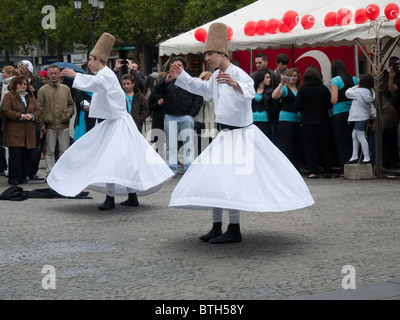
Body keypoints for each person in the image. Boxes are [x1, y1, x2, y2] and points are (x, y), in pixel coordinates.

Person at [168, 22, 314, 244]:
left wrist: (236, 84)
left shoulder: (238, 73)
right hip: (224, 136)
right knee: (216, 180)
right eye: (206, 53)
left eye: (210, 53)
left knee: (232, 182)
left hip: (240, 136)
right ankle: (217, 226)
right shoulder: (217, 74)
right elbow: (202, 88)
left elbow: (249, 93)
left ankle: (234, 228)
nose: (207, 57)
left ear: (222, 53)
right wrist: (183, 77)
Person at [48, 32, 173, 210]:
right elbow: (96, 86)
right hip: (115, 122)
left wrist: (75, 76)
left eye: (90, 59)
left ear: (98, 59)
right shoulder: (104, 74)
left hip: (118, 124)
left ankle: (111, 198)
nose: (89, 63)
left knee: (113, 160)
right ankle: (130, 195)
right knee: (124, 159)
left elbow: (94, 84)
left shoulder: (105, 74)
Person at [154, 57, 203, 176]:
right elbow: (157, 91)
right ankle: (171, 170)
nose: (177, 67)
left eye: (179, 65)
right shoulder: (167, 79)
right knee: (171, 146)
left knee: (188, 144)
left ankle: (189, 169)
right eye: (174, 65)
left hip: (186, 116)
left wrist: (192, 113)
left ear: (184, 67)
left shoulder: (190, 80)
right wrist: (165, 81)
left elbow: (198, 96)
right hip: (170, 116)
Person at [0, 75, 41, 185]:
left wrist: (32, 116)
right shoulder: (9, 96)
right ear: (15, 85)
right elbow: (5, 109)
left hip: (28, 131)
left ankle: (23, 177)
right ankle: (14, 177)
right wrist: (20, 116)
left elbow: (38, 110)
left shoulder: (31, 96)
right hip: (14, 131)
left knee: (26, 155)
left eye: (25, 84)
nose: (23, 86)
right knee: (15, 155)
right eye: (20, 83)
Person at [294, 66, 333, 178]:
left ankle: (314, 171)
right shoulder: (323, 89)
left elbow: (297, 106)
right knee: (325, 147)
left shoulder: (302, 89)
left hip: (307, 122)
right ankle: (327, 171)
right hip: (324, 121)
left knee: (311, 148)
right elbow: (329, 104)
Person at [37, 65, 74, 177]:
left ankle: (63, 173)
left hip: (64, 124)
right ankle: (50, 173)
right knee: (50, 151)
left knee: (64, 150)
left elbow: (71, 104)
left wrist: (67, 115)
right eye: (51, 73)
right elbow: (39, 108)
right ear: (48, 75)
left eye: (55, 73)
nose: (53, 75)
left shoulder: (66, 89)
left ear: (59, 74)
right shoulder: (42, 90)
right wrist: (42, 123)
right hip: (50, 125)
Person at [330, 59, 359, 178]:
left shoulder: (335, 80)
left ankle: (344, 169)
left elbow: (334, 99)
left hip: (339, 114)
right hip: (353, 113)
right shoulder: (354, 79)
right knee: (353, 140)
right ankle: (354, 165)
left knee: (342, 142)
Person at [18, 60, 44, 181]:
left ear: (29, 68)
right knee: (21, 148)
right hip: (20, 119)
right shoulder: (16, 81)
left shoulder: (37, 81)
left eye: (23, 66)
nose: (21, 67)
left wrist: (34, 91)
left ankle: (33, 171)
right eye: (19, 66)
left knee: (34, 148)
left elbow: (41, 98)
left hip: (34, 118)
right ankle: (22, 172)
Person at [272, 67, 302, 171]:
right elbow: (274, 95)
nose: (293, 78)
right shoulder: (285, 89)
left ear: (298, 78)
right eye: (291, 76)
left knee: (296, 146)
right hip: (286, 121)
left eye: (295, 76)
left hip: (298, 122)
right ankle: (284, 169)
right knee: (286, 146)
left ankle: (295, 169)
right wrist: (281, 83)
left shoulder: (300, 90)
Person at [345, 74, 376, 164]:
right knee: (354, 135)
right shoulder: (369, 92)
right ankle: (354, 155)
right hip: (364, 116)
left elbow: (347, 92)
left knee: (360, 136)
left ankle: (366, 157)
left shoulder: (358, 91)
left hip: (359, 117)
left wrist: (356, 86)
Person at [0, 66, 19, 177]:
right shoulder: (5, 84)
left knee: (8, 144)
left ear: (10, 73)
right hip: (4, 116)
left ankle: (9, 169)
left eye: (3, 72)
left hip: (10, 117)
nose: (2, 74)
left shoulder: (12, 84)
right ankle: (5, 167)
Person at [194, 71, 217, 155]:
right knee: (202, 142)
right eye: (208, 79)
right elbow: (206, 99)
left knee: (211, 141)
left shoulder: (214, 90)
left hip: (213, 119)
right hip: (202, 120)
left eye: (211, 79)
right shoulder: (200, 90)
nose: (210, 81)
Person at [251, 70, 277, 139]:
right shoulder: (251, 90)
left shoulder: (270, 91)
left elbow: (274, 107)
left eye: (269, 77)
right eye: (267, 77)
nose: (269, 79)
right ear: (262, 78)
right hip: (252, 121)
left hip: (265, 121)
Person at [148, 72, 167, 147]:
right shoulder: (155, 92)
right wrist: (157, 104)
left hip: (168, 118)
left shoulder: (170, 91)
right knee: (158, 142)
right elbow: (149, 106)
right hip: (158, 119)